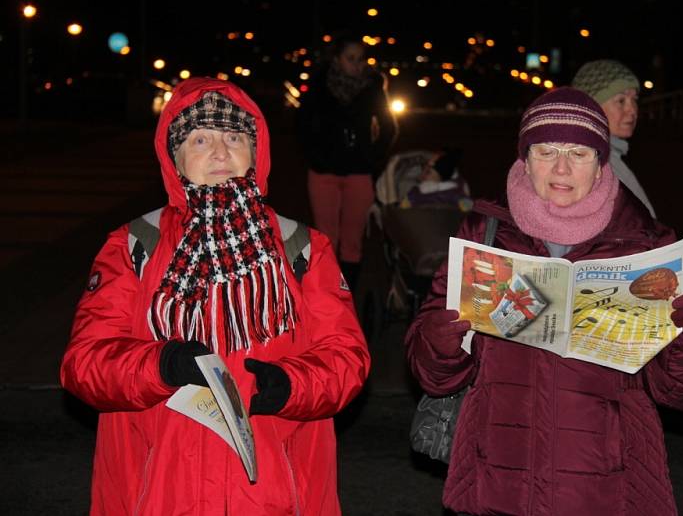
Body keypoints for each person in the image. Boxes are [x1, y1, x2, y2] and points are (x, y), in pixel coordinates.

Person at [60, 77, 370, 515]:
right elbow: (84, 364)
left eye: (235, 137)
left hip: (274, 493)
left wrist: (292, 385)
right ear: (174, 156)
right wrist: (159, 364)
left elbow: (347, 358)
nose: (221, 152)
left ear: (256, 152)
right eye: (201, 138)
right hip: (159, 492)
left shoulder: (302, 246)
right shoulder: (133, 245)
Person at [404, 87, 683, 516]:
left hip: (606, 483)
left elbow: (681, 396)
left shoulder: (647, 245)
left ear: (601, 160)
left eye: (580, 153)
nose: (562, 167)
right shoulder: (484, 233)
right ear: (524, 157)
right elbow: (432, 374)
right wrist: (437, 339)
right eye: (546, 150)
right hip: (498, 475)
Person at [297, 32, 398, 292]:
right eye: (350, 58)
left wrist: (372, 159)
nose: (357, 64)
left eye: (361, 59)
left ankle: (347, 294)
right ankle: (328, 293)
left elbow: (388, 128)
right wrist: (316, 157)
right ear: (337, 59)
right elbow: (303, 127)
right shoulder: (319, 85)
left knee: (353, 242)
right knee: (326, 238)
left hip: (359, 172)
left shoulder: (372, 87)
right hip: (324, 172)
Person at [572, 59, 657, 217]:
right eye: (621, 100)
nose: (632, 110)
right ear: (592, 107)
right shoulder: (594, 167)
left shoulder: (610, 158)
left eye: (635, 99)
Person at [400, 148, 473, 211]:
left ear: (441, 178)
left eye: (428, 172)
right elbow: (401, 209)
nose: (421, 176)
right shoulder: (415, 191)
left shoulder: (453, 194)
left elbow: (469, 207)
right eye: (424, 169)